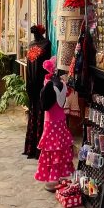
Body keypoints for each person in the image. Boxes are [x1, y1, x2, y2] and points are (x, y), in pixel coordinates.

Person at [34, 58, 74, 190]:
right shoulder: (61, 84)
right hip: (60, 120)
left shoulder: (47, 82)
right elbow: (62, 102)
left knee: (51, 149)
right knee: (60, 148)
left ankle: (54, 177)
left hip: (50, 121)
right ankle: (59, 175)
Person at [23, 24, 51, 158]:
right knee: (39, 113)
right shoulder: (46, 44)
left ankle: (34, 146)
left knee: (36, 112)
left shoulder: (31, 45)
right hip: (39, 84)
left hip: (32, 83)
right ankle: (40, 147)